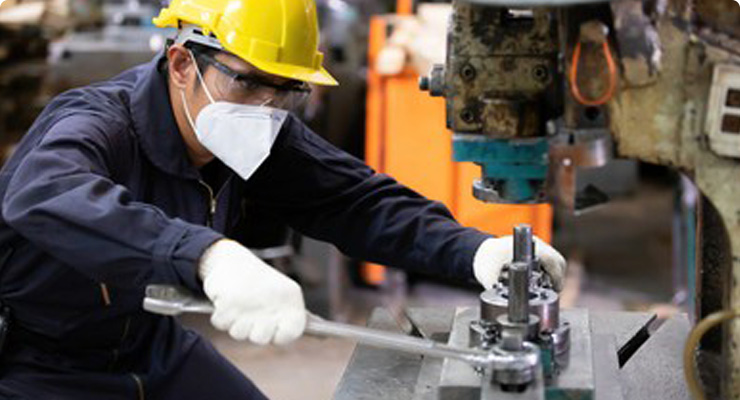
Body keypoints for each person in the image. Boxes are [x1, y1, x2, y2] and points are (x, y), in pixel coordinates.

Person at [0, 0, 566, 398]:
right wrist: (209, 257)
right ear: (182, 63)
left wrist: (473, 250)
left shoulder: (253, 133)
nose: (265, 107)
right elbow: (46, 191)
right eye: (248, 81)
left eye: (288, 89)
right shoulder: (98, 124)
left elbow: (355, 201)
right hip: (34, 363)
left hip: (149, 345)